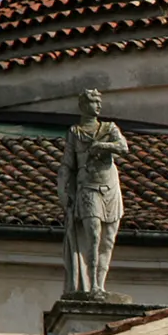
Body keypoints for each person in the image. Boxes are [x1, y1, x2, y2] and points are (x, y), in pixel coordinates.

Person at [58, 88, 128, 296]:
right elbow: (67, 163)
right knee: (94, 234)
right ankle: (92, 286)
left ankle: (101, 283)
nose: (98, 105)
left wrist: (102, 146)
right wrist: (63, 190)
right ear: (82, 105)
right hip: (87, 187)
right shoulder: (75, 132)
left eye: (99, 102)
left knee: (108, 240)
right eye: (92, 102)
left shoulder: (109, 128)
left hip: (110, 187)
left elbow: (123, 147)